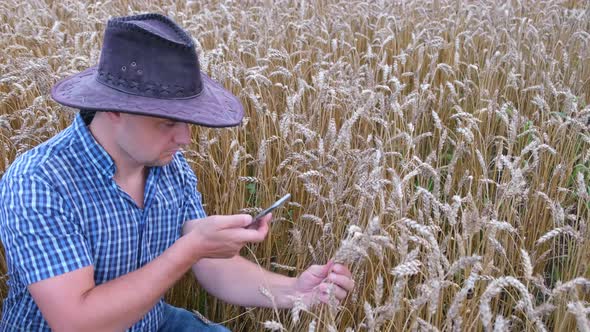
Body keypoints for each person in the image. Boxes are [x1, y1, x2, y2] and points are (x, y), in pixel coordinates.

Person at [0, 13, 354, 331]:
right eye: (167, 122)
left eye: (187, 121)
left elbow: (213, 267)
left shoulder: (169, 166)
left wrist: (293, 291)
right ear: (114, 109)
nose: (184, 138)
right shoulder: (38, 182)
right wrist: (189, 249)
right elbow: (76, 322)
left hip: (153, 322)